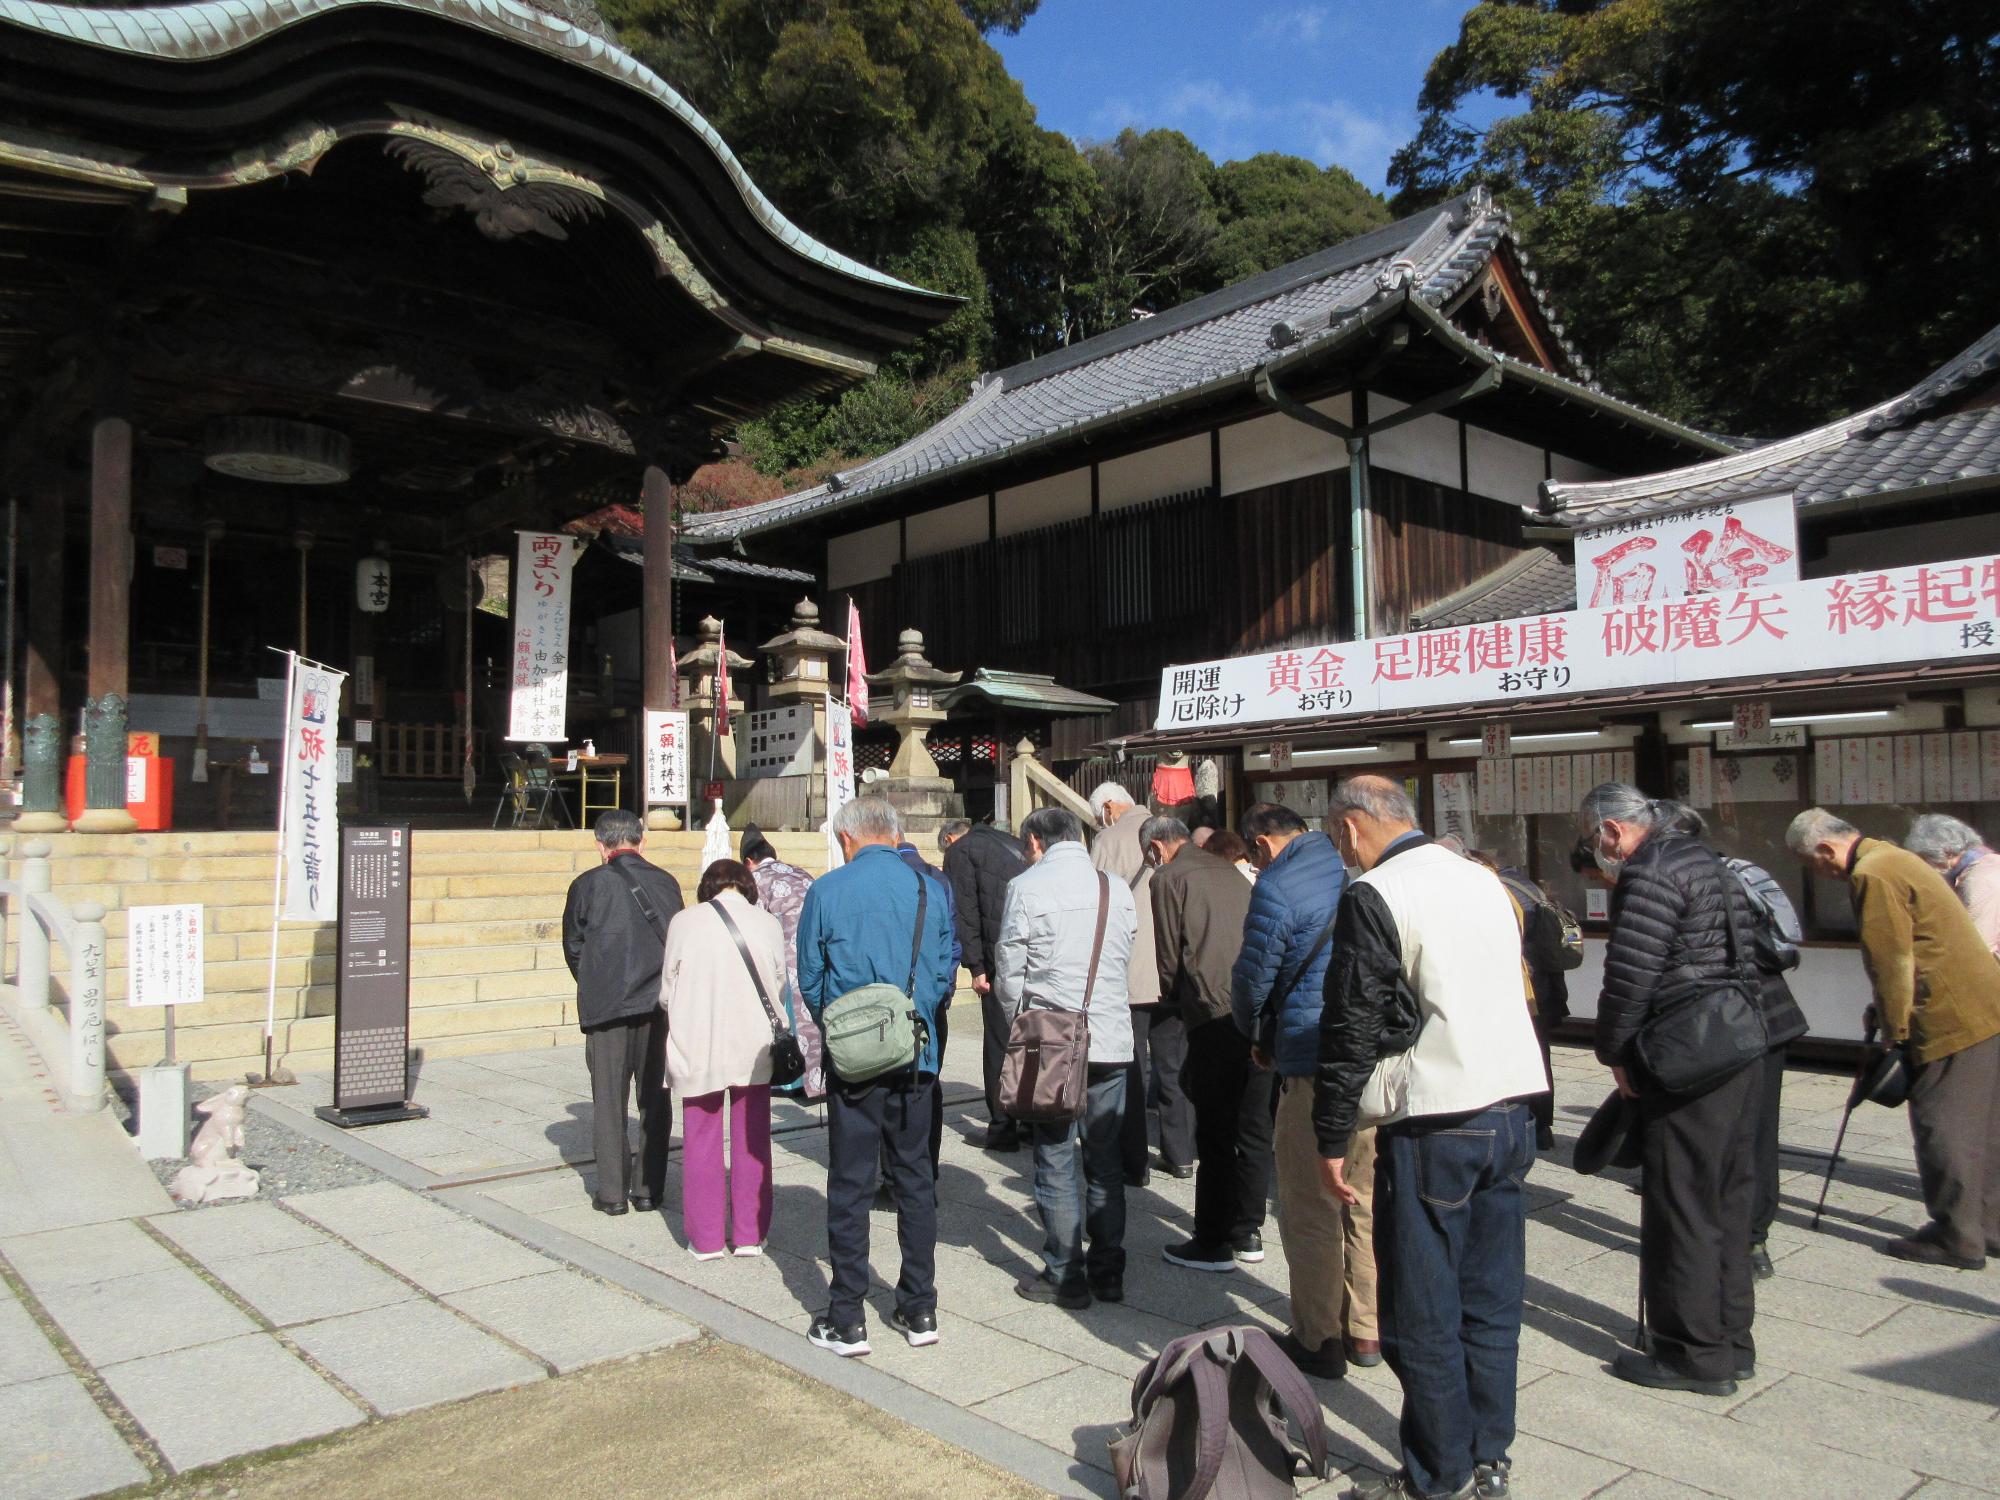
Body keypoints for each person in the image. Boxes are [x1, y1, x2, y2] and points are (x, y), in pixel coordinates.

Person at [1316, 777, 1546, 1500]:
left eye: (1338, 837)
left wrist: (1331, 1132)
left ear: (1352, 828)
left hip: (1438, 1115)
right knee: (1491, 1300)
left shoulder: (1378, 892)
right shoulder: (1483, 879)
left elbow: (1351, 1019)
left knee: (1421, 1311)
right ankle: (1490, 1454)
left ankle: (1437, 1473)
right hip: (1511, 1102)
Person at [1585, 784, 1764, 1396]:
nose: (1600, 852)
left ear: (1613, 830)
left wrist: (1614, 1051)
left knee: (1681, 1202)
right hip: (1735, 1039)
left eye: (1596, 838)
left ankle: (1691, 1352)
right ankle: (1731, 1339)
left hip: (1686, 1049)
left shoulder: (1651, 870)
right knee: (1726, 1197)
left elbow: (1630, 975)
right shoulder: (1703, 858)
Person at [1789, 808, 2000, 1268]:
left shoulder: (1873, 873)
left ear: (1825, 850)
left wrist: (1893, 1027)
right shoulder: (1894, 857)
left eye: (1810, 864)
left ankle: (1957, 1237)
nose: (1818, 874)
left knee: (1942, 1124)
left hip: (1947, 1012)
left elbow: (1892, 960)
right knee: (1983, 1124)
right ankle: (1988, 1225)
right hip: (1982, 1005)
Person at [796, 796, 957, 1357]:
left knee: (850, 1181)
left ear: (846, 838)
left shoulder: (827, 891)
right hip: (916, 1054)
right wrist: (913, 1012)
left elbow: (809, 977)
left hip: (854, 1060)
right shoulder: (928, 888)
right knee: (915, 1178)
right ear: (894, 834)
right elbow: (943, 971)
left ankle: (847, 1316)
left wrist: (842, 1025)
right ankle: (920, 1307)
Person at [1231, 802, 1375, 1380]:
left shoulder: (1278, 886)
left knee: (1310, 1202)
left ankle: (1319, 1337)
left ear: (1263, 844)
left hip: (1310, 1056)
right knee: (1361, 1196)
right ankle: (1366, 1327)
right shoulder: (1355, 868)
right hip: (1367, 1058)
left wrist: (1254, 1031)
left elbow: (1253, 978)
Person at [995, 806, 1138, 1307]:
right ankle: (1108, 1270)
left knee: (1055, 1157)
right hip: (1111, 1036)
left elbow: (1010, 970)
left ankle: (1065, 1271)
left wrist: (1019, 1023)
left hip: (1051, 1038)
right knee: (1104, 1159)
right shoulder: (1115, 887)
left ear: (1036, 840)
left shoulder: (1026, 887)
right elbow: (1124, 954)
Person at [1150, 814, 1267, 1272]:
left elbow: (1169, 954)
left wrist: (1173, 1001)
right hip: (1255, 1006)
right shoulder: (1234, 872)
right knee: (1252, 1127)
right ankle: (1248, 1229)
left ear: (1157, 847)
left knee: (1215, 1131)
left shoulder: (1169, 877)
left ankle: (1212, 1239)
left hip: (1211, 1009)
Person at [661, 859, 786, 1259]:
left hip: (699, 1040)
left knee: (701, 1139)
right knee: (753, 1139)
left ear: (707, 887)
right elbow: (779, 982)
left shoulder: (684, 922)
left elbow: (666, 991)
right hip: (754, 1043)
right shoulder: (767, 923)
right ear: (747, 886)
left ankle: (706, 1238)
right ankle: (750, 1234)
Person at [561, 809, 684, 1216]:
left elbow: (574, 946)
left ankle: (612, 1193)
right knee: (655, 1098)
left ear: (600, 845)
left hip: (608, 1007)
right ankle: (648, 1188)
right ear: (641, 840)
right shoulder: (666, 882)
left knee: (609, 1100)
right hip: (656, 1005)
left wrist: (597, 979)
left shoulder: (586, 884)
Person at [1716, 845, 1809, 1281]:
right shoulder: (1732, 872)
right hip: (1771, 1014)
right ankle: (1755, 1239)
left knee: (1732, 1132)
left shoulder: (1685, 880)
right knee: (1760, 1131)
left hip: (1728, 1023)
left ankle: (1741, 1238)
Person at [1091, 780, 1186, 1185]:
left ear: (1110, 806)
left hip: (1129, 972)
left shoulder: (1108, 840)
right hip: (1173, 970)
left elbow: (1095, 902)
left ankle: (1135, 1162)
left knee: (1132, 1067)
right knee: (1173, 1065)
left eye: (1100, 815)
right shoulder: (1173, 831)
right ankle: (1180, 1153)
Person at [939, 817, 1030, 1150]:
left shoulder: (960, 852)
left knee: (998, 1043)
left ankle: (1003, 1127)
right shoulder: (1011, 842)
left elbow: (964, 913)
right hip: (1030, 954)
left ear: (949, 839)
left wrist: (976, 966)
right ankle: (1034, 1119)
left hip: (997, 958)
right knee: (1029, 1040)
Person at [895, 832, 960, 1181]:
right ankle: (927, 1166)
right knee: (929, 1081)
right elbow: (952, 942)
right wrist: (944, 990)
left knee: (891, 1084)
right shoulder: (940, 880)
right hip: (932, 1000)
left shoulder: (888, 878)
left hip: (893, 999)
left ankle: (894, 1172)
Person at [742, 826, 822, 1098]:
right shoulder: (801, 873)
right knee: (812, 1018)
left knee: (784, 1016)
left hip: (782, 956)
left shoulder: (755, 880)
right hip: (814, 953)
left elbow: (754, 926)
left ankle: (789, 1078)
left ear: (748, 861)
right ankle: (817, 1080)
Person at [1906, 812, 2000, 957]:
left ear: (1947, 853)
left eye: (1925, 859)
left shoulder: (1979, 880)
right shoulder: (1990, 863)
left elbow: (1979, 947)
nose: (1925, 867)